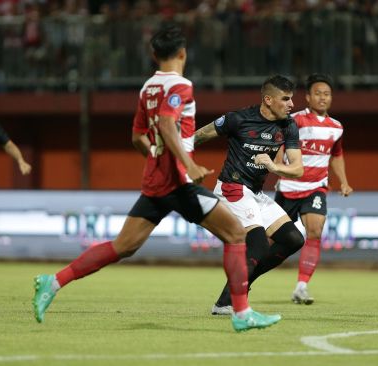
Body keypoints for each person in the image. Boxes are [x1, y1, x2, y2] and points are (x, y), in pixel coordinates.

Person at [32, 25, 280, 332]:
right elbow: (165, 123)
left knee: (123, 246)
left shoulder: (148, 88)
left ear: (153, 54)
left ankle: (53, 282)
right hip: (178, 181)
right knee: (236, 234)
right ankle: (240, 313)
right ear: (182, 53)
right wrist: (187, 163)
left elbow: (137, 137)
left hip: (156, 180)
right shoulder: (181, 86)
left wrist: (157, 156)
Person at [193, 75, 306, 316]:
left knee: (294, 240)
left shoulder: (288, 126)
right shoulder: (238, 119)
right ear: (268, 99)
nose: (291, 104)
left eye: (291, 99)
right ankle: (233, 303)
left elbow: (297, 168)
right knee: (256, 245)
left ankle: (230, 297)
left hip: (255, 193)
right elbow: (199, 136)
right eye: (285, 99)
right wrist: (178, 159)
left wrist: (275, 168)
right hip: (232, 188)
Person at [273, 73, 353, 305]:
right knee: (272, 239)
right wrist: (277, 167)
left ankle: (301, 286)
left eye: (326, 94)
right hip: (288, 187)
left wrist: (344, 181)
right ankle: (248, 276)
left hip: (316, 187)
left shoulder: (336, 127)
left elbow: (336, 155)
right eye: (317, 93)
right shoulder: (294, 120)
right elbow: (280, 145)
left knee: (315, 232)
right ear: (307, 97)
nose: (322, 97)